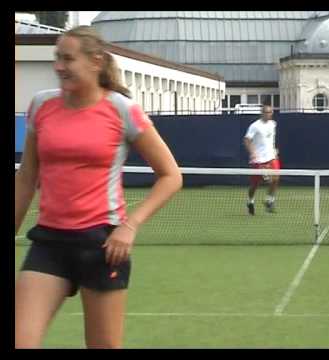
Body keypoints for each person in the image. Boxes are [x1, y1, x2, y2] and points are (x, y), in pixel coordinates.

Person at [14, 26, 182, 349]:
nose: (58, 67)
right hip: (49, 242)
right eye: (56, 58)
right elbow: (25, 179)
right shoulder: (41, 106)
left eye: (67, 58)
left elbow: (171, 175)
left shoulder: (122, 109)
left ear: (95, 61)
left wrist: (129, 226)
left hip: (102, 246)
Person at [243, 105, 280, 215]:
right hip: (258, 160)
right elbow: (247, 140)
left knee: (276, 178)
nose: (268, 114)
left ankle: (269, 200)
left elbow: (271, 140)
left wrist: (275, 150)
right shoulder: (255, 126)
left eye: (270, 112)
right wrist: (253, 153)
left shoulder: (273, 124)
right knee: (255, 184)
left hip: (271, 157)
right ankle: (250, 201)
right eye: (266, 112)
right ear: (262, 113)